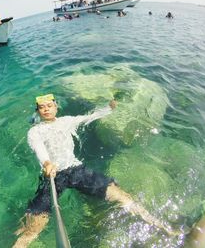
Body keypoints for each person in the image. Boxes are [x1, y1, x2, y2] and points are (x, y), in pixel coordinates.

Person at [13, 94, 178, 247]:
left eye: (50, 105)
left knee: (122, 196)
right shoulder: (34, 131)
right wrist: (47, 163)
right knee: (33, 228)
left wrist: (109, 108)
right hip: (53, 175)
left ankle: (166, 229)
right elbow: (38, 148)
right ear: (38, 111)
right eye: (42, 107)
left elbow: (89, 117)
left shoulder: (67, 121)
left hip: (75, 168)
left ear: (56, 107)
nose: (47, 109)